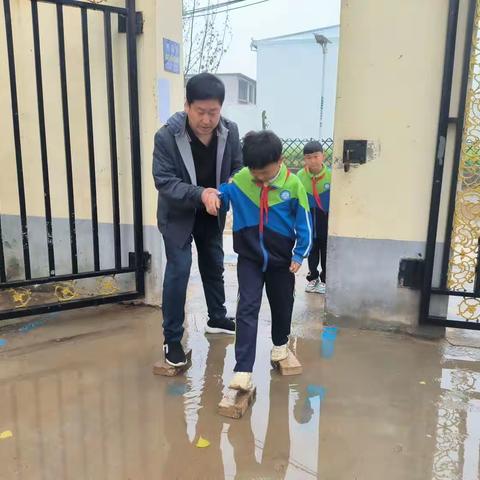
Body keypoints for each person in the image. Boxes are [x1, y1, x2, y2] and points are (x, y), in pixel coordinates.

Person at [152, 73, 243, 367]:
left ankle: (217, 317)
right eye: (200, 112)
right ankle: (172, 338)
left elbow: (238, 170)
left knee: (213, 263)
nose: (207, 119)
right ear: (187, 105)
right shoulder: (167, 136)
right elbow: (164, 181)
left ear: (221, 109)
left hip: (212, 211)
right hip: (177, 214)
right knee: (179, 271)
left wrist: (227, 188)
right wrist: (200, 193)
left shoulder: (230, 131)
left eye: (213, 112)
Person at [218, 131, 312, 391]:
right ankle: (243, 369)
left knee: (282, 304)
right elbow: (224, 193)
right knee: (247, 308)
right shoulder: (241, 180)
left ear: (280, 160)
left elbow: (304, 223)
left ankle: (280, 346)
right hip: (249, 259)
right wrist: (216, 198)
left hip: (282, 261)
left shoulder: (293, 185)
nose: (259, 179)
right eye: (254, 173)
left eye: (265, 173)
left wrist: (299, 253)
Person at [296, 141, 331, 294]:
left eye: (316, 156)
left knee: (326, 249)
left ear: (323, 156)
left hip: (326, 218)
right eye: (308, 158)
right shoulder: (300, 176)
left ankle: (325, 280)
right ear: (305, 159)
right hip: (309, 218)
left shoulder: (331, 175)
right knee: (311, 249)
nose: (313, 161)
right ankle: (313, 278)